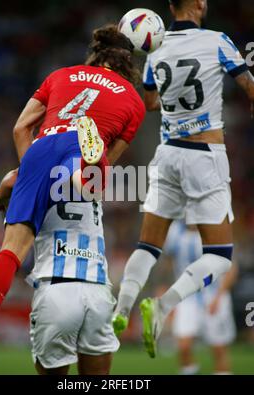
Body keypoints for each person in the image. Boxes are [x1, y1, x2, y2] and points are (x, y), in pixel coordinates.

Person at [0, 24, 145, 374]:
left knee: (11, 250)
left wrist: (29, 174)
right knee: (93, 178)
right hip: (86, 160)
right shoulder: (133, 101)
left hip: (44, 144)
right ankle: (80, 172)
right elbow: (114, 155)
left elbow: (20, 128)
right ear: (127, 66)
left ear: (94, 56)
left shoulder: (61, 74)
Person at [113, 0, 254, 358]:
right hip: (204, 157)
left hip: (167, 154)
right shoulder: (218, 40)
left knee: (148, 247)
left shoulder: (156, 51)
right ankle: (162, 306)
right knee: (221, 255)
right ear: (197, 4)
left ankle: (122, 309)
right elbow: (248, 85)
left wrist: (175, 101)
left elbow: (150, 103)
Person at [0, 171, 119, 375]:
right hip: (97, 287)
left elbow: (13, 179)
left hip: (57, 287)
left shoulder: (43, 161)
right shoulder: (91, 163)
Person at [163, 221, 237, 375]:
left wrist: (218, 297)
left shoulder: (215, 227)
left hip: (213, 296)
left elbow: (232, 268)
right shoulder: (175, 230)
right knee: (183, 346)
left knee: (218, 349)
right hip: (187, 298)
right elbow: (169, 263)